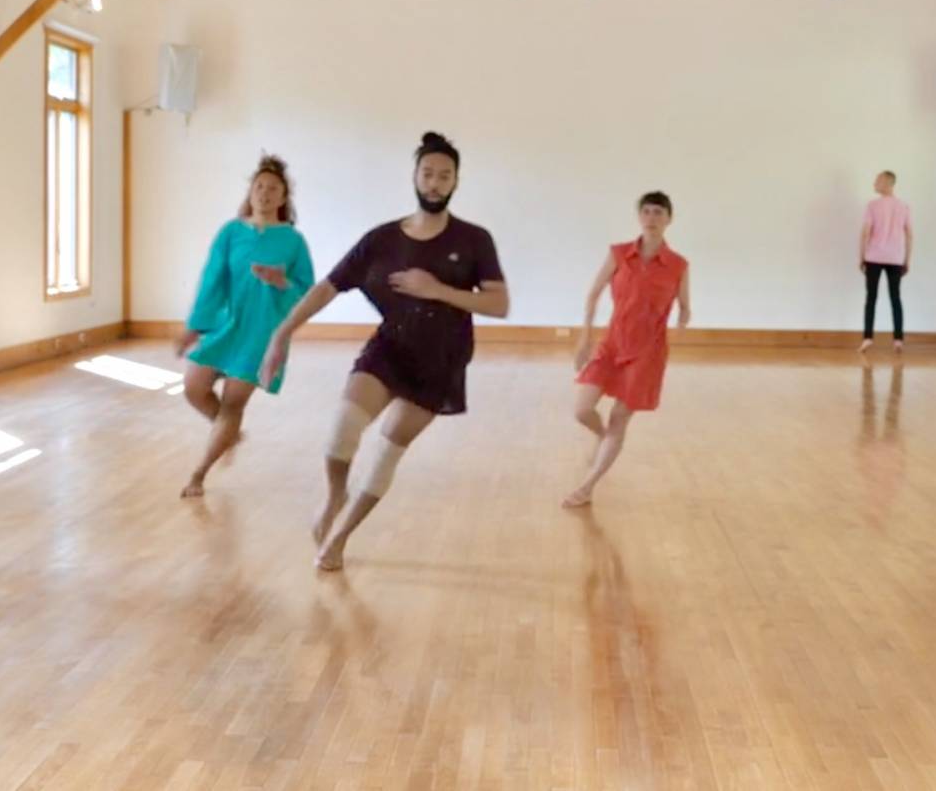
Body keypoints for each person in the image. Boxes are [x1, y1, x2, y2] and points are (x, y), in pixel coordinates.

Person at [259, 132, 508, 571]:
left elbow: (498, 303)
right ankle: (335, 495)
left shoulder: (474, 240)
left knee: (388, 449)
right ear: (414, 176)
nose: (434, 183)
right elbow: (326, 288)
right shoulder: (381, 239)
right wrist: (282, 334)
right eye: (427, 173)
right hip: (389, 347)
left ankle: (341, 536)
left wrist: (438, 290)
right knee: (343, 427)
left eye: (444, 176)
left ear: (455, 183)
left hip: (441, 360)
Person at [176, 154, 314, 497]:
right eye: (259, 188)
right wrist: (196, 326)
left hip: (261, 335)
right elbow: (212, 280)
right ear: (250, 193)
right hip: (226, 326)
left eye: (273, 190)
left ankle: (199, 474)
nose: (265, 194)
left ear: (283, 198)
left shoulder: (293, 241)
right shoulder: (230, 232)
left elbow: (307, 290)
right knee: (194, 388)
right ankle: (228, 433)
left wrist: (281, 281)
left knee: (233, 404)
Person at [563, 192, 690, 509]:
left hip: (647, 353)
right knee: (581, 410)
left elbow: (685, 307)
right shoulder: (619, 254)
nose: (651, 217)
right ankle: (604, 436)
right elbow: (593, 294)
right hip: (612, 344)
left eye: (658, 212)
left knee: (620, 419)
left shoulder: (678, 265)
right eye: (646, 211)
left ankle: (588, 486)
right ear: (639, 217)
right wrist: (585, 337)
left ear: (668, 219)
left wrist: (681, 325)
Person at [860, 171, 912, 353]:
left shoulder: (872, 205)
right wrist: (907, 259)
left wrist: (861, 256)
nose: (874, 183)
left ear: (888, 183)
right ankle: (898, 340)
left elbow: (866, 232)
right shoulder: (903, 206)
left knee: (871, 298)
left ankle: (867, 338)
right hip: (896, 257)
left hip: (874, 256)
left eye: (878, 180)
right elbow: (909, 235)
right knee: (896, 298)